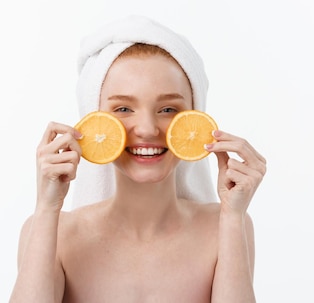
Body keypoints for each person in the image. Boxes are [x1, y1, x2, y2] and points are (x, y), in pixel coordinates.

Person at [10, 15, 265, 302]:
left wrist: (232, 216)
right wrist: (47, 207)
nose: (146, 129)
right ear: (93, 121)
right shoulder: (51, 230)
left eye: (168, 109)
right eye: (123, 109)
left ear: (195, 119)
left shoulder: (228, 226)